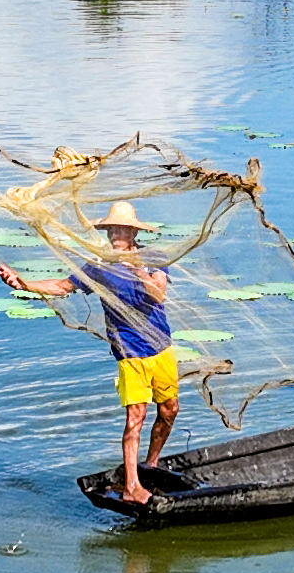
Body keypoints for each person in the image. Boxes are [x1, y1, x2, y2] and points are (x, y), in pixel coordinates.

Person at [11, 201, 183, 503]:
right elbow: (63, 285)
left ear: (132, 232)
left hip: (161, 347)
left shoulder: (153, 258)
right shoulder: (98, 267)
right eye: (112, 229)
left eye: (122, 229)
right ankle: (131, 485)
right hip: (130, 352)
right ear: (107, 232)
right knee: (135, 417)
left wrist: (137, 269)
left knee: (169, 410)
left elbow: (157, 294)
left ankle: (151, 465)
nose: (117, 233)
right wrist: (23, 283)